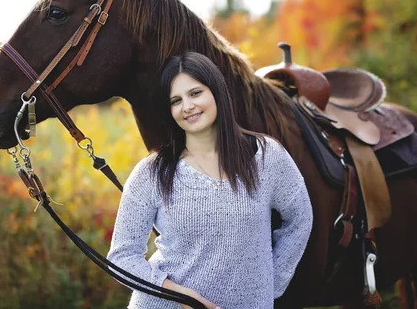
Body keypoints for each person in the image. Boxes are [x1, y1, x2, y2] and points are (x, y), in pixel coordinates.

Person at [107, 52, 313, 309]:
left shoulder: (266, 157)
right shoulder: (152, 173)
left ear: (216, 91)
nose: (188, 106)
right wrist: (180, 296)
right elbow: (122, 257)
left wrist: (271, 283)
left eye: (195, 93)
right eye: (176, 100)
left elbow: (300, 217)